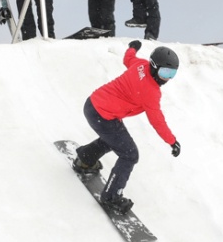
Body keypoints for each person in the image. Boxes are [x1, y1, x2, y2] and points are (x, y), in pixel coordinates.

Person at [72, 40, 181, 214]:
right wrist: (172, 141)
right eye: (165, 72)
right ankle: (111, 197)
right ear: (154, 66)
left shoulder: (141, 64)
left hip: (93, 104)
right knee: (130, 154)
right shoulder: (151, 91)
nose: (167, 78)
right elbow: (157, 120)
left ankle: (85, 159)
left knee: (115, 140)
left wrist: (133, 48)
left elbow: (128, 59)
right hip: (103, 115)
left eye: (172, 74)